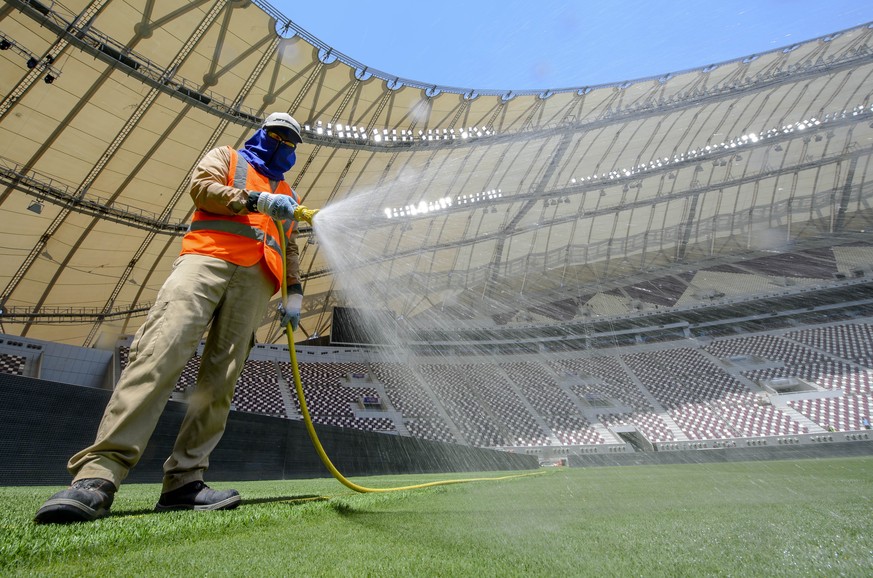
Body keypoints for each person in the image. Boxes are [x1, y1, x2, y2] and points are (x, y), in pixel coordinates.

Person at [35, 112, 318, 524]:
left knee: (220, 381)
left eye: (290, 141)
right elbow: (201, 190)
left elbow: (288, 244)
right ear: (261, 133)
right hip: (206, 261)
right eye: (276, 135)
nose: (282, 144)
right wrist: (255, 200)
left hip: (256, 282)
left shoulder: (289, 191)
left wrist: (293, 293)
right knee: (161, 351)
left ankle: (185, 481)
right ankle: (97, 476)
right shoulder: (228, 157)